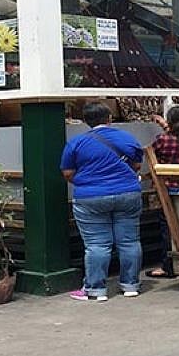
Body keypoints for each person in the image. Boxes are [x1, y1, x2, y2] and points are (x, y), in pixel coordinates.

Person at [60, 102, 144, 301]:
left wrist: (85, 182)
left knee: (97, 245)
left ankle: (96, 290)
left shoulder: (76, 142)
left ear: (85, 121)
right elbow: (137, 164)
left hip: (90, 197)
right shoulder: (127, 137)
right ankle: (131, 286)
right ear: (110, 118)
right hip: (128, 194)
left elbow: (67, 172)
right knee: (129, 241)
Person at [146, 105, 179, 279]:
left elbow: (151, 151)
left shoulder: (163, 141)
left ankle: (168, 266)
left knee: (167, 227)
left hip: (166, 190)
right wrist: (164, 124)